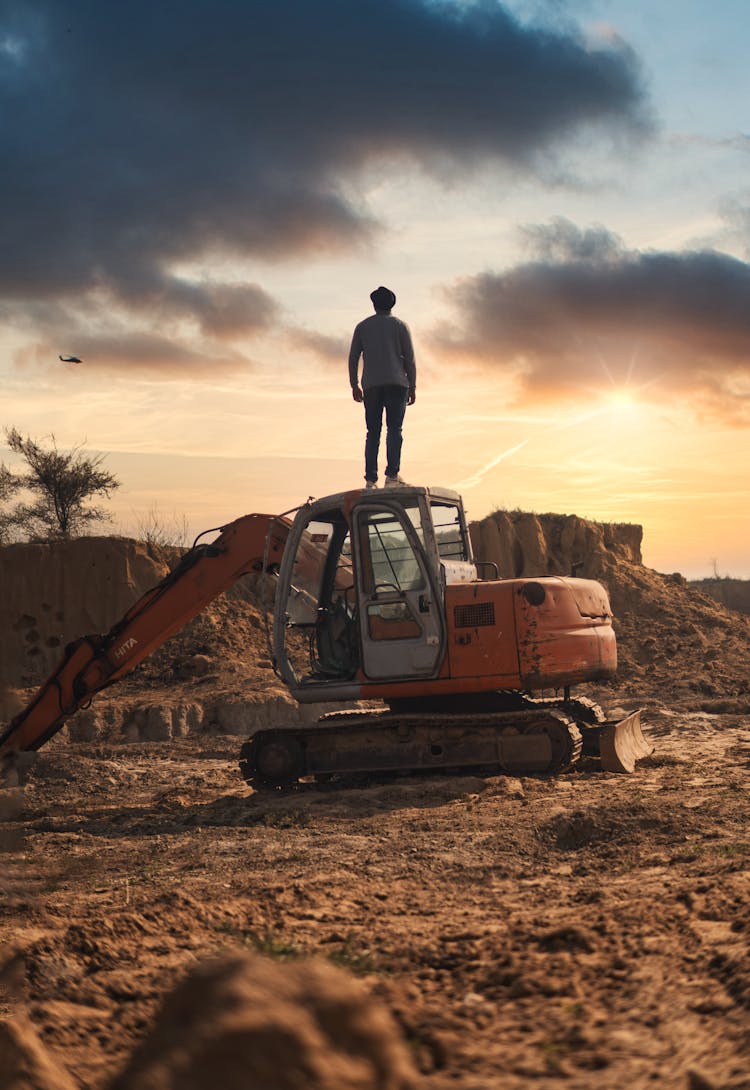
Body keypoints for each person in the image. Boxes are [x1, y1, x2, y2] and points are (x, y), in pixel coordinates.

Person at [348, 286, 416, 488]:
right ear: (392, 304)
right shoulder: (401, 326)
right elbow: (410, 359)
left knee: (373, 432)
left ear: (374, 304)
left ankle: (370, 479)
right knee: (394, 429)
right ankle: (392, 476)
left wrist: (354, 384)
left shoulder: (362, 327)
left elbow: (353, 357)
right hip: (397, 383)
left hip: (371, 385)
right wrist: (413, 386)